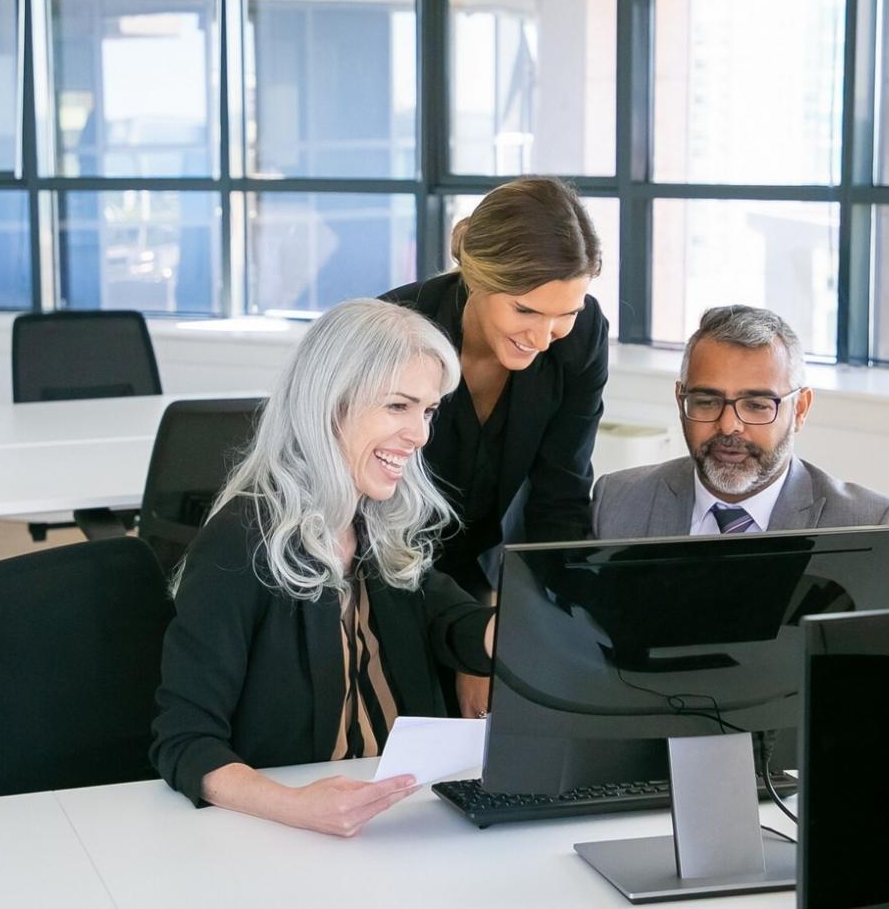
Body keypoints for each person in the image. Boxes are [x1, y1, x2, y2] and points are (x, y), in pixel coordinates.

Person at [150, 298, 496, 837]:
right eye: (398, 407)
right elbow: (184, 740)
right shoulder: (241, 541)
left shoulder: (377, 522)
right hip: (285, 834)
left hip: (400, 818)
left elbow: (455, 625)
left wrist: (525, 626)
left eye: (427, 411)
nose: (421, 434)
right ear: (330, 405)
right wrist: (296, 806)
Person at [383, 177, 608, 718]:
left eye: (566, 312)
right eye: (526, 311)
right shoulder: (395, 334)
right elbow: (382, 521)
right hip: (387, 576)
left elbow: (562, 499)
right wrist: (472, 646)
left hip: (487, 587)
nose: (545, 334)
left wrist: (536, 633)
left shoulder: (580, 337)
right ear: (478, 278)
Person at [591, 304, 889, 606]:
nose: (729, 425)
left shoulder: (870, 527)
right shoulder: (617, 504)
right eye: (707, 401)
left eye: (757, 405)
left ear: (800, 409)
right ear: (681, 400)